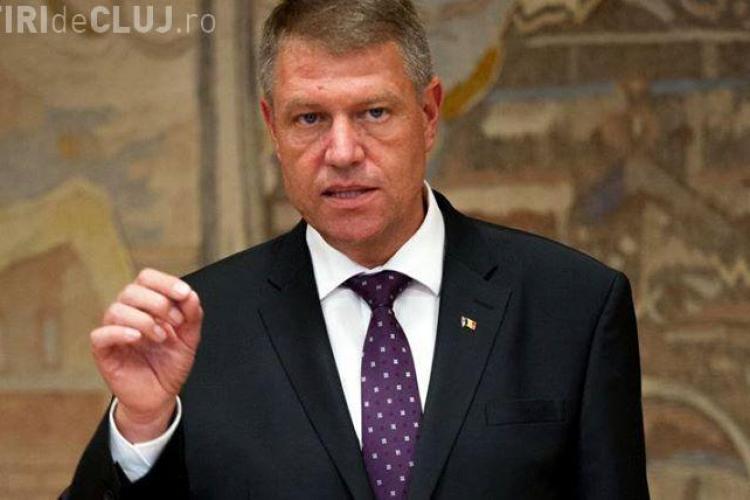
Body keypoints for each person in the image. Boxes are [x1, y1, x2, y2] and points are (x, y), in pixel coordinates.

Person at [63, 0, 650, 498]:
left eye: (374, 112)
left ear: (428, 114)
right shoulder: (196, 327)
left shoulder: (573, 305)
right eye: (310, 118)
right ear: (272, 128)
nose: (342, 151)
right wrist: (142, 427)